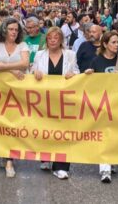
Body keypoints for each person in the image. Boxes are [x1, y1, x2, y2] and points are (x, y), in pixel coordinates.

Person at [31, 27, 79, 179]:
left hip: (64, 101)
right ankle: (45, 157)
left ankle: (61, 166)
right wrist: (35, 73)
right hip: (45, 100)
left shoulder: (71, 55)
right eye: (50, 38)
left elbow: (77, 72)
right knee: (46, 130)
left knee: (64, 132)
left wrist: (74, 74)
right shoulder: (39, 55)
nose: (52, 40)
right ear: (46, 40)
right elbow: (31, 71)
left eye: (56, 38)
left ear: (61, 40)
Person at [84, 31, 118, 183]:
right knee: (104, 136)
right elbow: (89, 84)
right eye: (114, 42)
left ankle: (111, 161)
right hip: (101, 105)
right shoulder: (96, 61)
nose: (117, 45)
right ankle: (105, 170)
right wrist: (88, 74)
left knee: (114, 135)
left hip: (117, 105)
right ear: (105, 44)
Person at [0, 17, 30, 178]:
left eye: (16, 30)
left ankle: (9, 159)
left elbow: (25, 64)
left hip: (18, 92)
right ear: (4, 30)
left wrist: (2, 66)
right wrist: (12, 70)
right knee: (2, 125)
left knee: (13, 125)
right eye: (10, 29)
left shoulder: (22, 45)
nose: (13, 32)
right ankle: (6, 155)